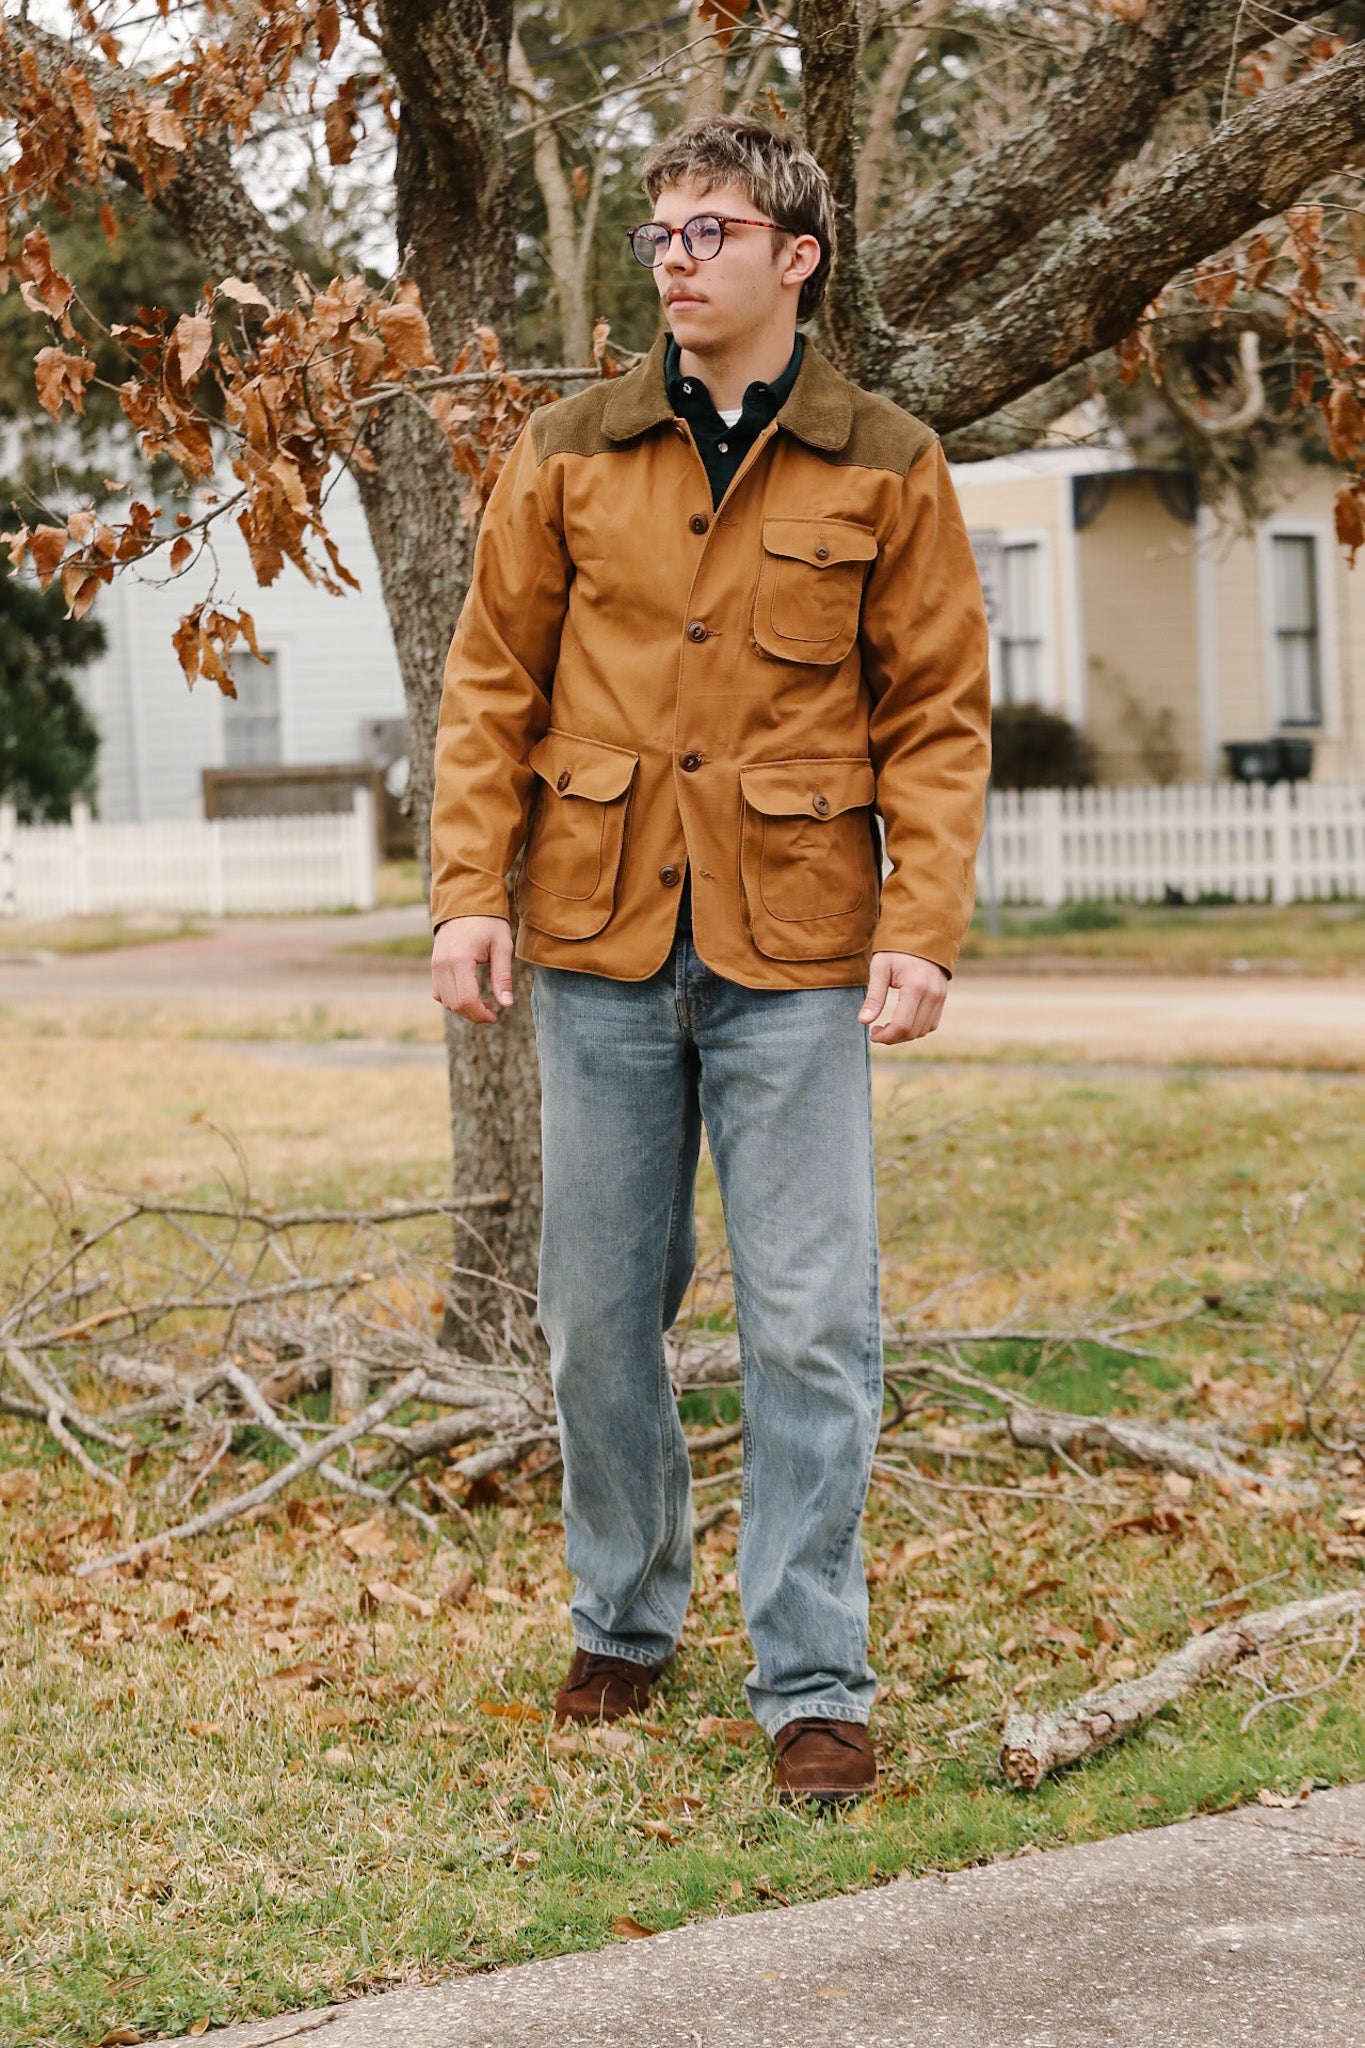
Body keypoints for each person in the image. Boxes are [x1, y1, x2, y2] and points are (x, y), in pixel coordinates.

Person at [429, 114, 990, 1805]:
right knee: (599, 1317)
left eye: (710, 232)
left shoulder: (884, 458)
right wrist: (468, 889)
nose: (674, 259)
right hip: (599, 941)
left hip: (799, 950)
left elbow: (937, 717)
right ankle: (622, 1619)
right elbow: (488, 686)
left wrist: (923, 926)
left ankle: (813, 1676)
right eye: (662, 234)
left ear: (793, 257)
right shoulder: (569, 450)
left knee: (813, 1323)